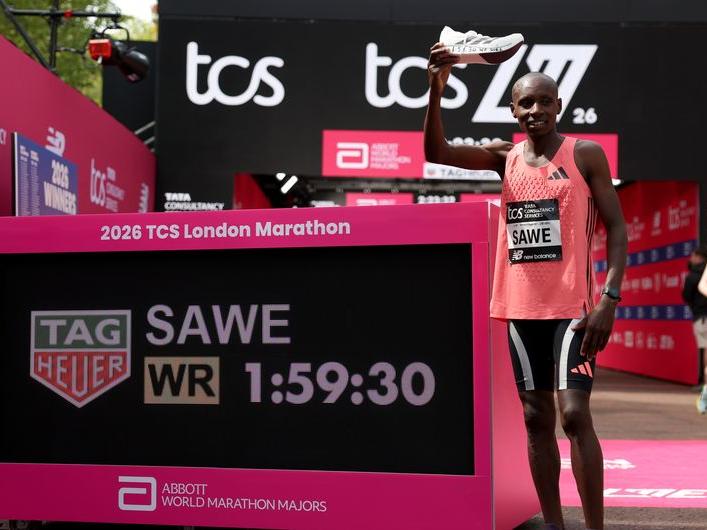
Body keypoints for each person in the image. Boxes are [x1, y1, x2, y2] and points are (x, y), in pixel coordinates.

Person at [425, 41, 627, 530]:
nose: (536, 110)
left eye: (544, 101)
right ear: (513, 110)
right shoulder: (506, 158)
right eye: (526, 103)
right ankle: (554, 524)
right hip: (520, 309)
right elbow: (436, 152)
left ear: (559, 105)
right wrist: (436, 90)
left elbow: (618, 228)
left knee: (574, 414)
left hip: (574, 310)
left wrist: (610, 298)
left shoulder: (585, 154)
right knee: (535, 418)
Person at [682, 246, 707, 413]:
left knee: (705, 349)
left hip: (701, 317)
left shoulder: (692, 276)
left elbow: (687, 295)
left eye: (693, 256)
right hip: (702, 316)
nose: (691, 258)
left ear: (698, 257)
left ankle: (704, 386)